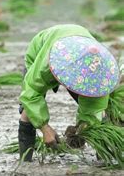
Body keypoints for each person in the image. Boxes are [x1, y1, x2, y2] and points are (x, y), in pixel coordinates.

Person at [18, 24, 120, 161]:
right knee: (27, 112)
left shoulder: (100, 75)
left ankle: (104, 159)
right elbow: (30, 94)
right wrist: (45, 128)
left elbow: (94, 108)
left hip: (83, 52)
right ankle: (25, 163)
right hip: (45, 50)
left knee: (100, 113)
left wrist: (83, 129)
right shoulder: (44, 67)